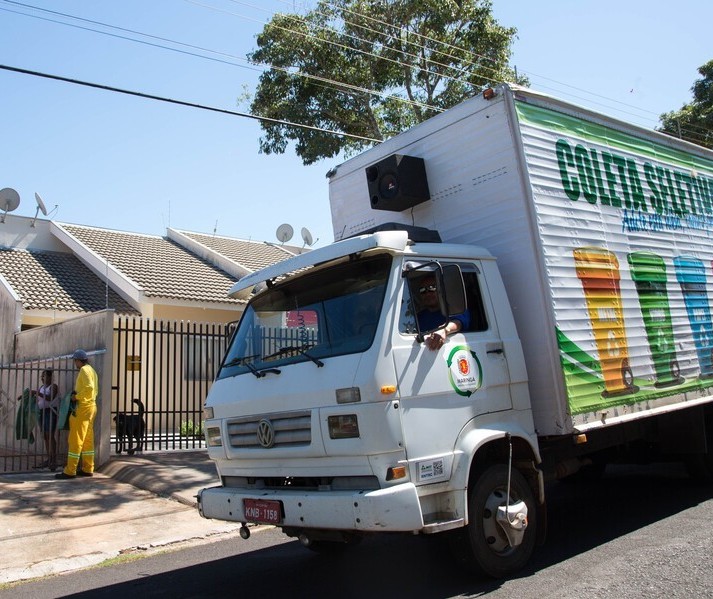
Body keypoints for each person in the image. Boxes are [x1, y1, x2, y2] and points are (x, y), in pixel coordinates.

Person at [56, 349, 99, 480]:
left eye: (75, 361)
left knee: (75, 439)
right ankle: (88, 468)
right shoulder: (92, 370)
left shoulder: (84, 370)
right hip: (91, 407)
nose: (75, 363)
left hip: (83, 407)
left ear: (79, 360)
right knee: (87, 440)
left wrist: (76, 397)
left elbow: (89, 388)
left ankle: (70, 470)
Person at [416, 275, 470, 351]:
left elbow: (459, 322)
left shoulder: (456, 309)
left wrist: (444, 330)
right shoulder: (418, 317)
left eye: (431, 288)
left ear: (441, 290)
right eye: (423, 290)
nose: (427, 294)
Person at [33, 369, 59, 471]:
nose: (43, 378)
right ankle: (49, 458)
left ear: (50, 377)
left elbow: (50, 398)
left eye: (45, 376)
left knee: (50, 435)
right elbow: (39, 399)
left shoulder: (53, 386)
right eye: (42, 376)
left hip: (51, 412)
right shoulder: (41, 387)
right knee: (45, 436)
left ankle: (53, 459)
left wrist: (37, 393)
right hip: (42, 412)